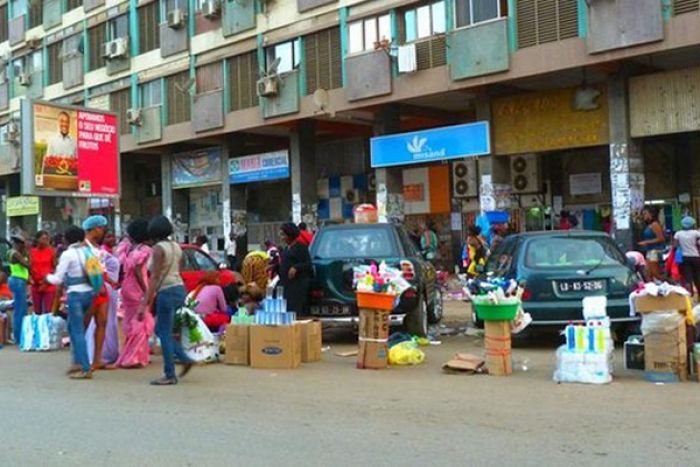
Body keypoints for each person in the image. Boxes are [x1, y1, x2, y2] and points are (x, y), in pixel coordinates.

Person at [139, 215, 193, 385]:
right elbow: (181, 267)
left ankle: (170, 373)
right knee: (164, 330)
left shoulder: (158, 249)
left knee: (163, 332)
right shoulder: (176, 247)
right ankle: (183, 358)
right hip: (179, 289)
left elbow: (154, 277)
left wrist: (145, 302)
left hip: (166, 292)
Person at [46, 226, 94, 379]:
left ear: (66, 240)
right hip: (89, 292)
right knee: (74, 329)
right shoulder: (90, 251)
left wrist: (46, 277)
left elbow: (57, 279)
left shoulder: (67, 254)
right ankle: (77, 362)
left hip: (75, 294)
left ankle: (85, 367)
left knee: (77, 331)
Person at [115, 219, 153, 369]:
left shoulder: (127, 248)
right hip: (137, 289)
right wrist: (146, 290)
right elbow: (138, 271)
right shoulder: (144, 250)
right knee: (142, 323)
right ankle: (133, 357)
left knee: (130, 321)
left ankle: (131, 354)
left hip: (126, 288)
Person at [82, 215, 110, 370]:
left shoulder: (98, 247)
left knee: (102, 322)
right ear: (94, 229)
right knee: (85, 323)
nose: (103, 232)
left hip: (102, 288)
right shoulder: (83, 247)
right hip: (89, 289)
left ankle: (97, 359)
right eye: (101, 228)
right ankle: (79, 358)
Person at [278, 223, 312, 315]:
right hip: (286, 285)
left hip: (297, 286)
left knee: (296, 310)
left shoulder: (301, 247)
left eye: (283, 235)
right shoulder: (286, 249)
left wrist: (296, 267)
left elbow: (308, 264)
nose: (281, 237)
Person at [8, 234, 30, 345]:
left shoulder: (16, 252)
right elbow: (27, 265)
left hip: (18, 281)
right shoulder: (15, 253)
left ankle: (19, 335)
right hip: (18, 281)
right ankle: (18, 337)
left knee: (22, 309)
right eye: (24, 243)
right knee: (20, 310)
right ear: (20, 243)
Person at [30, 230, 57, 315]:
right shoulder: (32, 251)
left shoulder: (52, 251)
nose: (46, 241)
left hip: (48, 284)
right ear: (37, 240)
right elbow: (29, 267)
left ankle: (47, 327)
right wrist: (30, 278)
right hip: (35, 284)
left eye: (47, 239)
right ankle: (38, 327)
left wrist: (46, 283)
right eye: (43, 238)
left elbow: (55, 268)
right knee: (37, 311)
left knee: (48, 310)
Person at [674, 216, 700, 296]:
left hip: (684, 258)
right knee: (697, 276)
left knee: (688, 277)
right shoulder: (696, 233)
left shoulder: (678, 234)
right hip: (695, 257)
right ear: (692, 224)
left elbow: (675, 246)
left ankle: (691, 296)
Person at [638, 206, 666, 281]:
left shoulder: (655, 225)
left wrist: (646, 242)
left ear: (651, 214)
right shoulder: (649, 225)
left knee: (655, 273)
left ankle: (671, 284)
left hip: (655, 250)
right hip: (650, 250)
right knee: (648, 272)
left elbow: (661, 238)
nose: (644, 216)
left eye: (645, 214)